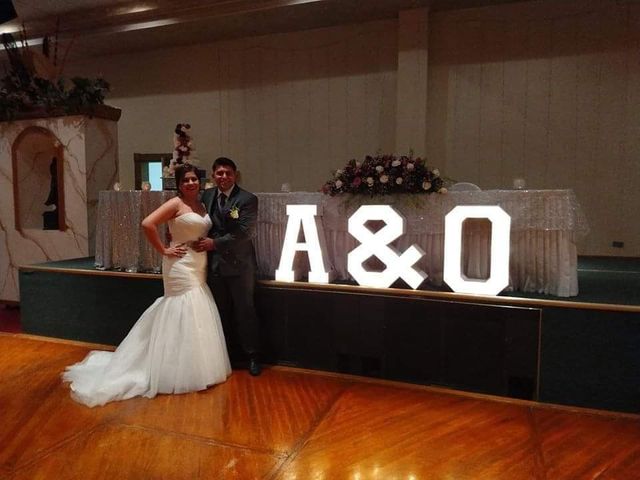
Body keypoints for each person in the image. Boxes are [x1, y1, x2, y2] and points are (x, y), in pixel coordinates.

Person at [63, 164, 231, 407]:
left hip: (198, 263)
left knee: (196, 307)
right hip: (179, 263)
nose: (191, 183)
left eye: (194, 179)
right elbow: (147, 223)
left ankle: (193, 365)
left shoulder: (204, 204)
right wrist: (164, 249)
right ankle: (171, 370)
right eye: (186, 180)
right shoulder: (175, 204)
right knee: (181, 306)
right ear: (179, 184)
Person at [193, 157, 262, 376]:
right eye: (219, 173)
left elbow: (245, 232)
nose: (223, 177)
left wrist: (214, 243)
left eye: (228, 173)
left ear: (235, 175)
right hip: (215, 266)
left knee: (245, 311)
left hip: (241, 266)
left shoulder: (248, 199)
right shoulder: (207, 196)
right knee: (220, 313)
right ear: (213, 175)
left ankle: (253, 356)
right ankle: (225, 357)